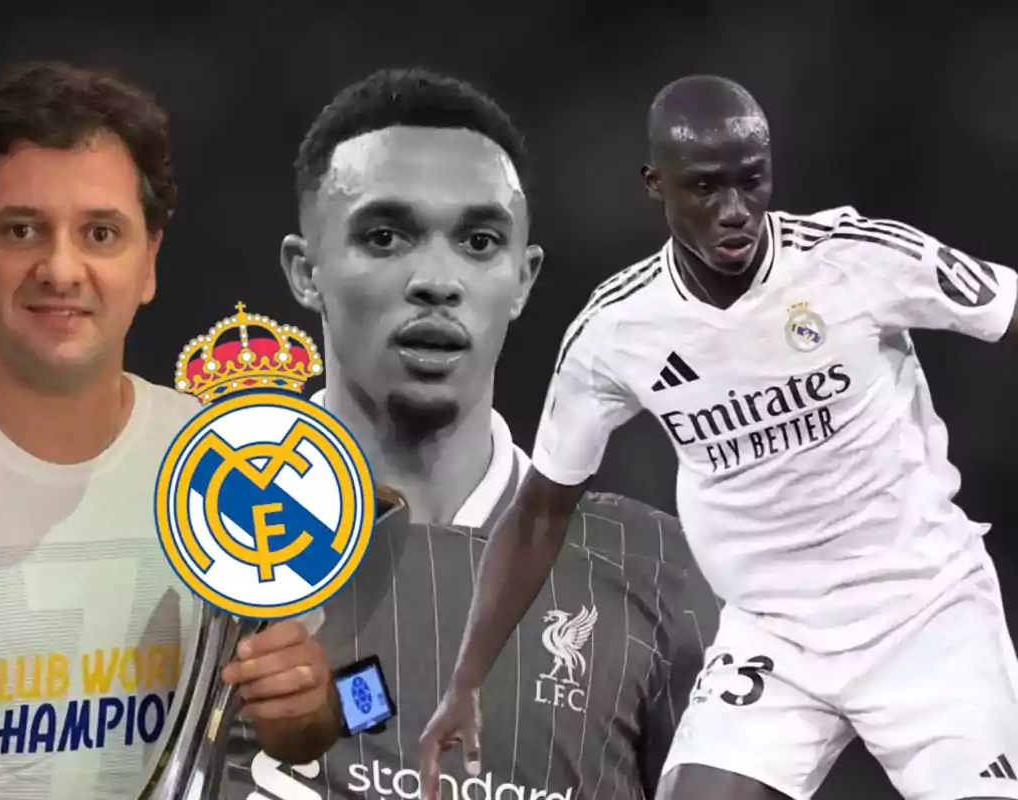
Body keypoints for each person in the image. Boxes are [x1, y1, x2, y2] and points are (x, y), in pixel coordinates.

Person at [418, 72, 1018, 800]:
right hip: (776, 633)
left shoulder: (855, 259)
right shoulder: (617, 332)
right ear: (655, 184)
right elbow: (542, 509)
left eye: (752, 182)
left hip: (924, 611)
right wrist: (465, 683)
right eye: (705, 189)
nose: (735, 211)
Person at [0, 62, 341, 800]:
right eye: (22, 229)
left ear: (149, 262)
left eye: (100, 232)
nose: (61, 268)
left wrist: (306, 703)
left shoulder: (228, 463)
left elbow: (318, 724)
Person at [214, 67, 719, 800]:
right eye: (386, 235)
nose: (437, 279)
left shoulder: (660, 572)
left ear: (522, 278)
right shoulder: (197, 549)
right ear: (305, 271)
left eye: (479, 241)